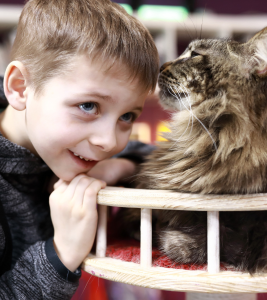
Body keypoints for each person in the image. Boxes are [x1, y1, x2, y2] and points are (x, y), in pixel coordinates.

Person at [0, 0, 159, 299]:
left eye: (127, 117)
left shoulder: (64, 144)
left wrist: (118, 166)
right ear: (21, 87)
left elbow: (151, 154)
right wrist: (60, 254)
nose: (109, 142)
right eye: (88, 106)